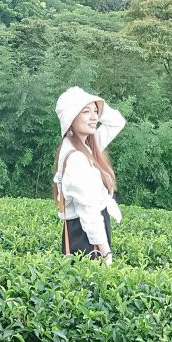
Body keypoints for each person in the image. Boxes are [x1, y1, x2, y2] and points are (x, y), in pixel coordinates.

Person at [53, 87, 125, 264]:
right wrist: (106, 253)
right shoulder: (76, 157)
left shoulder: (87, 147)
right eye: (86, 112)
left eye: (96, 111)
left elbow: (117, 122)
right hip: (86, 236)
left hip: (90, 232)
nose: (94, 117)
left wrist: (88, 100)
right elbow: (88, 212)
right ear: (71, 118)